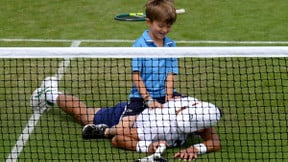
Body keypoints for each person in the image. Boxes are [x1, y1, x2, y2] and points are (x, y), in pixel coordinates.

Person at [30, 76, 222, 161]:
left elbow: (213, 141)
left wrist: (194, 148)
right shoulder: (161, 128)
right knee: (86, 115)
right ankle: (50, 93)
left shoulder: (198, 111)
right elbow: (119, 139)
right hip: (131, 116)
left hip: (150, 108)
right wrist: (147, 146)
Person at [111, 0, 181, 136]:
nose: (165, 30)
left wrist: (169, 96)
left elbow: (170, 74)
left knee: (196, 113)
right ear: (149, 22)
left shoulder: (171, 45)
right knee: (121, 130)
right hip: (141, 98)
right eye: (161, 26)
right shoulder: (139, 45)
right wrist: (148, 99)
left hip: (164, 95)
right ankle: (106, 131)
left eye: (168, 26)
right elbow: (136, 75)